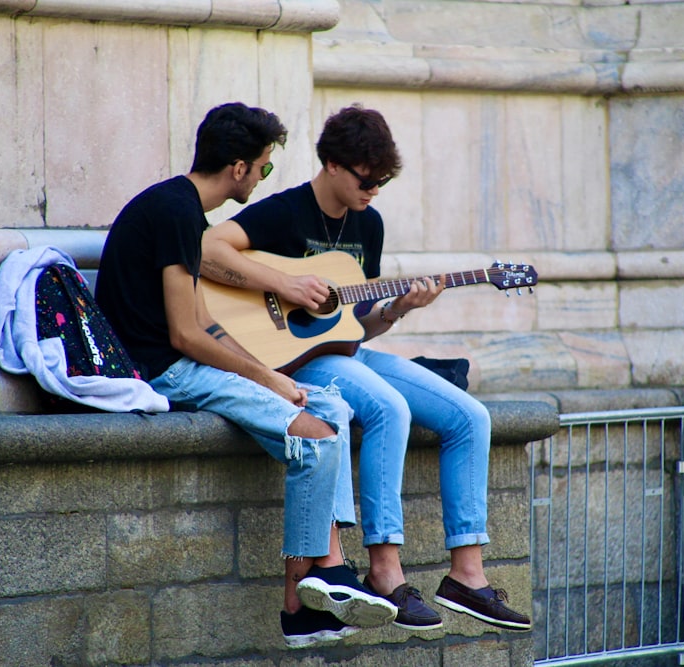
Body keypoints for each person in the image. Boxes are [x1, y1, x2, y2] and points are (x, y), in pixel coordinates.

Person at [201, 104, 532, 632]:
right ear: (332, 163)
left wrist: (398, 309)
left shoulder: (368, 225)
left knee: (471, 416)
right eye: (366, 178)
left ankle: (467, 576)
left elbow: (352, 328)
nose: (373, 189)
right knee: (389, 407)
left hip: (346, 356)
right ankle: (385, 568)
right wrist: (284, 284)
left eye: (382, 181)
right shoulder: (285, 213)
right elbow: (209, 248)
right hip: (290, 363)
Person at [93, 102, 397, 648]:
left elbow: (204, 319)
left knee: (330, 408)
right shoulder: (173, 212)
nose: (263, 177)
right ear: (239, 168)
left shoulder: (181, 209)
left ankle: (319, 584)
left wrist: (264, 371)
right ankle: (303, 595)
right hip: (166, 373)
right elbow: (186, 337)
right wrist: (274, 382)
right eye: (264, 166)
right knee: (318, 438)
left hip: (184, 360)